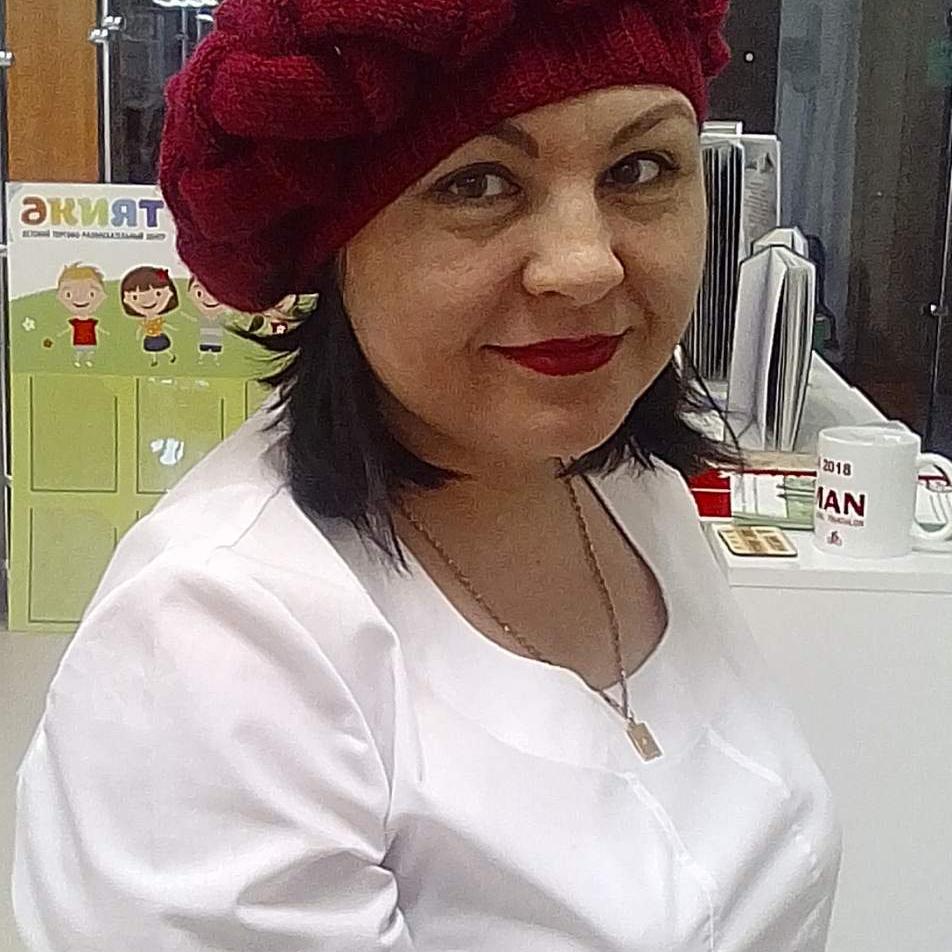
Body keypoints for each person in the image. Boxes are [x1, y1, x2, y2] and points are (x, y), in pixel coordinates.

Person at [12, 1, 844, 950]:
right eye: (477, 183)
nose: (584, 265)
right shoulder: (216, 642)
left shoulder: (627, 488)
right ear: (335, 246)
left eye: (640, 169)